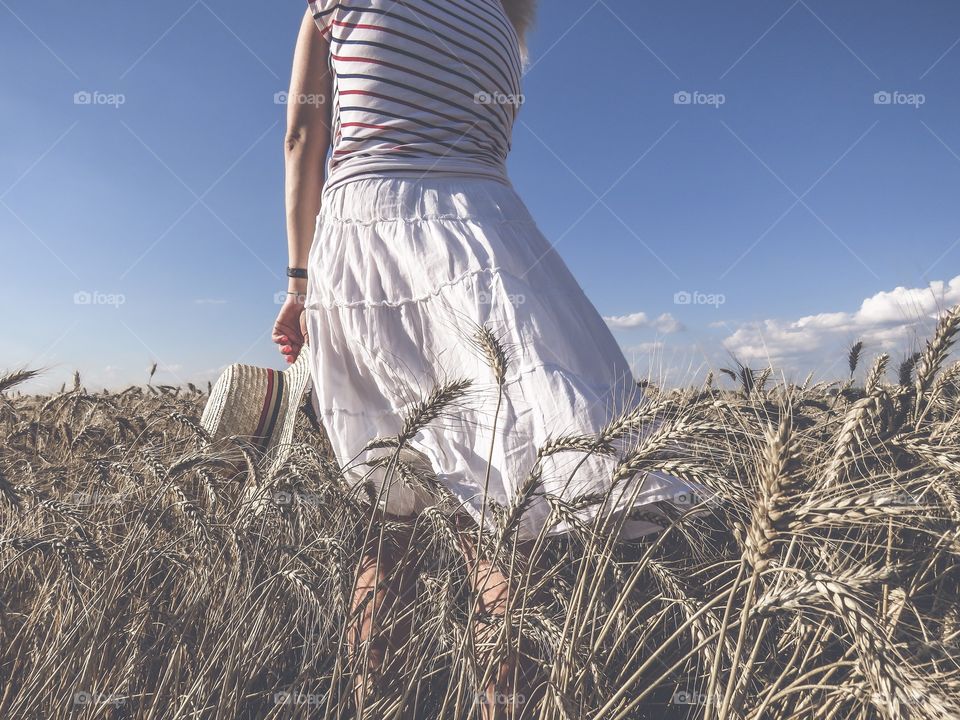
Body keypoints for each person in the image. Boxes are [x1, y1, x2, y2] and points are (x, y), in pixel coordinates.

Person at [271, 1, 692, 716]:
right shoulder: (502, 25)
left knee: (386, 531)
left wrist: (297, 283)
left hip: (364, 248)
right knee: (497, 533)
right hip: (486, 245)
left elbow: (302, 136)